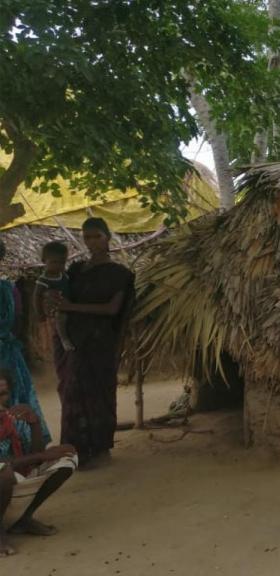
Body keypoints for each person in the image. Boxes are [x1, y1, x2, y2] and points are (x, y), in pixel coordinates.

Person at [49, 218, 135, 468]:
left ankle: (97, 448)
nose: (92, 242)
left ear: (108, 237)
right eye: (87, 237)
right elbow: (58, 293)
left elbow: (112, 309)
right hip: (72, 343)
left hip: (98, 343)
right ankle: (74, 451)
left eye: (97, 236)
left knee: (98, 393)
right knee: (70, 392)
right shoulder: (75, 270)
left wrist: (71, 306)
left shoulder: (119, 274)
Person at [1, 370, 77, 557]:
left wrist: (34, 423)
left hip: (13, 477)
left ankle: (23, 519)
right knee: (4, 471)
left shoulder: (12, 416)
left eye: (2, 393)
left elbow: (34, 452)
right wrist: (41, 456)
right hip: (5, 476)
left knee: (67, 456)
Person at [0, 240, 51, 445]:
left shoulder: (9, 289)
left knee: (11, 398)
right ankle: (24, 446)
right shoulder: (10, 289)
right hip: (10, 354)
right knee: (16, 397)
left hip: (8, 354)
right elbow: (18, 322)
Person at [34, 241, 75, 352]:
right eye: (54, 262)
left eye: (62, 262)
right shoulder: (44, 279)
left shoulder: (64, 274)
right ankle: (64, 340)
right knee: (61, 318)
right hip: (56, 308)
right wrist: (40, 313)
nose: (58, 265)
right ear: (44, 261)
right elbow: (37, 297)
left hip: (68, 305)